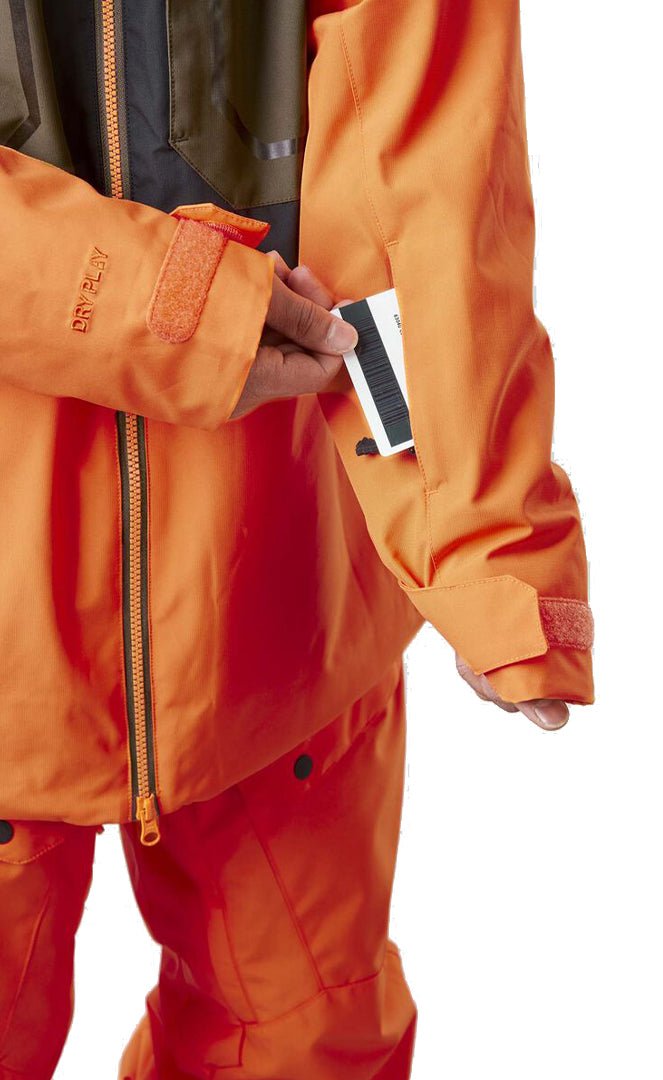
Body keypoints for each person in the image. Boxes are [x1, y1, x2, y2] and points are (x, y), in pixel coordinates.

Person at [0, 1, 594, 1077]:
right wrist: (171, 304)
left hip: (281, 617)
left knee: (306, 1043)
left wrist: (482, 532)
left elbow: (430, 160)